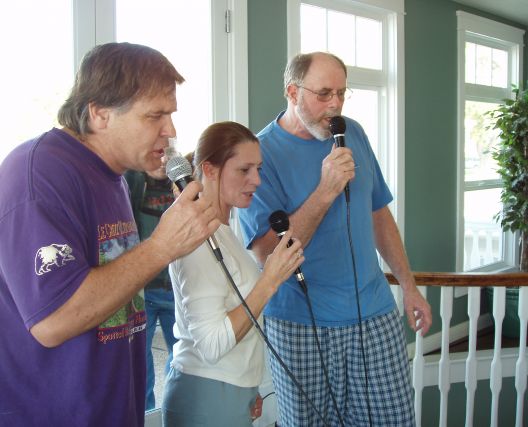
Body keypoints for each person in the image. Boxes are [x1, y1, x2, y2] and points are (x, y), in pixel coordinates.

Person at [0, 42, 219, 426]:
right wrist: (161, 247)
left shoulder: (112, 177)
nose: (171, 131)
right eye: (155, 116)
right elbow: (53, 322)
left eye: (170, 115)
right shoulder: (38, 174)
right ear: (99, 114)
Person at [238, 52, 433, 426]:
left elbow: (378, 214)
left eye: (342, 93)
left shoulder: (352, 132)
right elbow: (267, 254)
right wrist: (325, 191)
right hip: (301, 324)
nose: (335, 105)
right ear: (292, 92)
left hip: (374, 315)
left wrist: (409, 286)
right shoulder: (261, 155)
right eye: (324, 94)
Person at [161, 121, 305, 427]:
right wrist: (270, 280)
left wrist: (248, 386)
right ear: (209, 170)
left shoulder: (225, 230)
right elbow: (212, 344)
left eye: (258, 169)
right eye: (244, 170)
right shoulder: (196, 236)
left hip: (231, 393)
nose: (256, 180)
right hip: (206, 397)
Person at [125, 161, 178, 410]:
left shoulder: (182, 183)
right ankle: (146, 413)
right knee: (141, 362)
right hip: (143, 292)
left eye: (166, 153)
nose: (161, 160)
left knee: (181, 358)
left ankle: (170, 405)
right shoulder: (132, 182)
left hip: (176, 292)